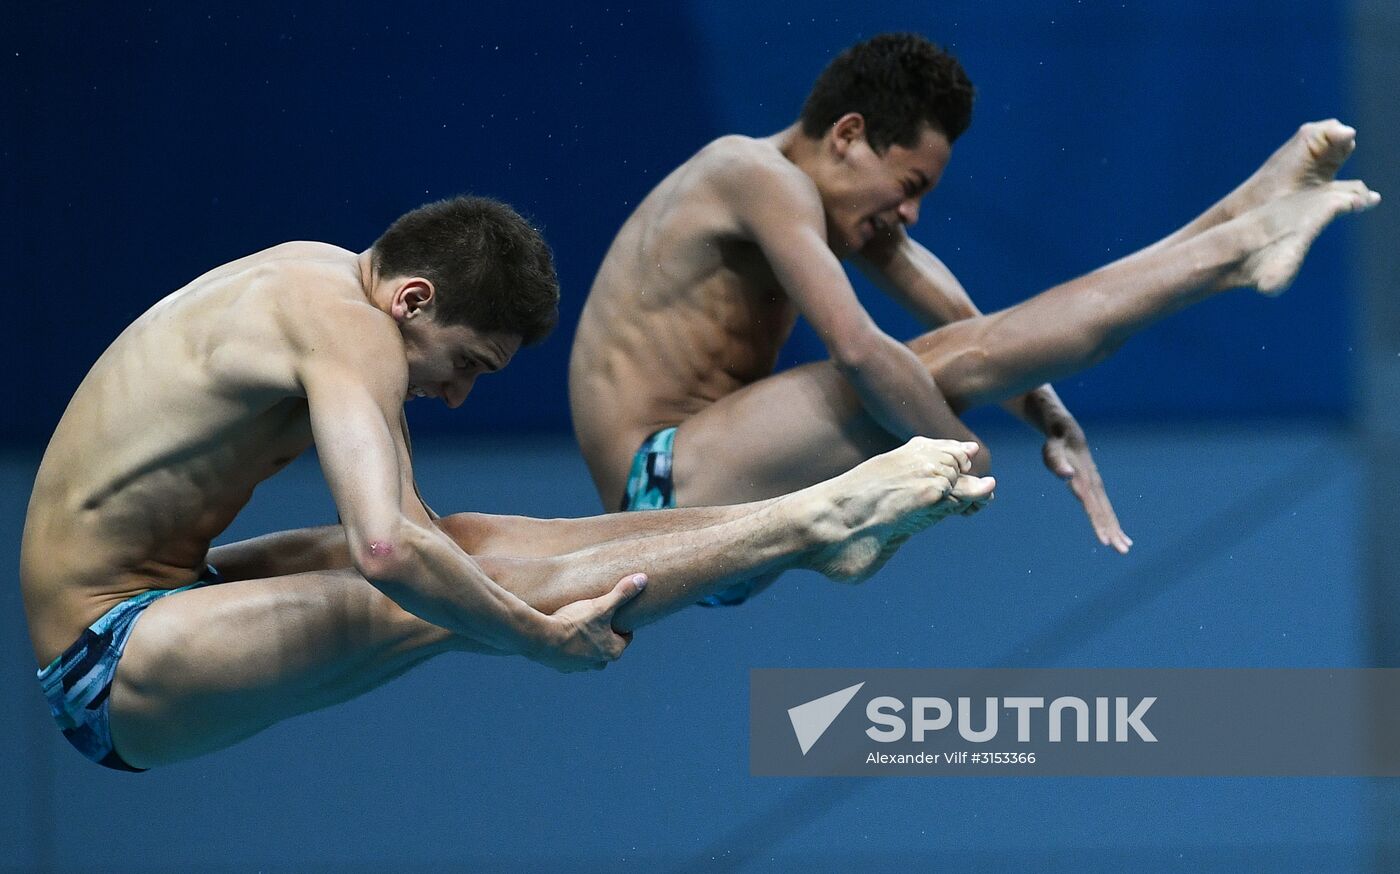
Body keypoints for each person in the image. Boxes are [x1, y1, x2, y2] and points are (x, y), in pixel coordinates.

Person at [20, 194, 994, 771]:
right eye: (468, 363)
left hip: (170, 600)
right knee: (430, 599)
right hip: (103, 665)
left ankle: (800, 523)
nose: (453, 396)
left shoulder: (326, 285)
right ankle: (807, 520)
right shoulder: (345, 326)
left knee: (471, 544)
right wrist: (537, 641)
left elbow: (423, 532)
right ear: (413, 300)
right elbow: (387, 552)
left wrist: (506, 607)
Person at [568, 32, 1379, 606]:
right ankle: (1234, 253)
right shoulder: (752, 175)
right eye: (909, 183)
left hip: (715, 508)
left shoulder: (833, 202)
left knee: (955, 355)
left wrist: (1050, 416)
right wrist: (968, 456)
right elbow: (857, 350)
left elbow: (974, 321)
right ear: (849, 136)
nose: (912, 214)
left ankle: (1242, 215)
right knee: (926, 371)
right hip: (659, 501)